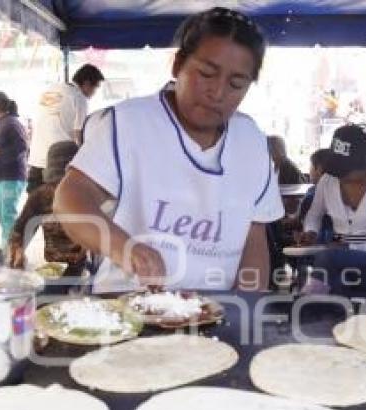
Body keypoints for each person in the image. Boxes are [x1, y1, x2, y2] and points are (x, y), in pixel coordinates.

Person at [54, 7, 283, 292]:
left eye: (236, 84)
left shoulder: (251, 141)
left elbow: (254, 236)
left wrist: (246, 310)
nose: (218, 92)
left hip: (215, 313)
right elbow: (71, 197)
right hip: (128, 310)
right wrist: (124, 248)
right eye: (207, 74)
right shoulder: (127, 124)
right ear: (177, 66)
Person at [297, 123, 366, 296]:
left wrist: (351, 248)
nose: (338, 174)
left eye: (345, 168)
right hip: (337, 265)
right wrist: (311, 231)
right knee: (333, 278)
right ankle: (321, 311)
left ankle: (305, 306)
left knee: (329, 261)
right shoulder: (328, 181)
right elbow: (314, 215)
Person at [9, 141, 87, 290]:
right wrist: (17, 250)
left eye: (64, 182)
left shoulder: (88, 196)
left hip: (82, 269)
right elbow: (20, 229)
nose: (58, 188)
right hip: (53, 270)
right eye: (55, 182)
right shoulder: (40, 196)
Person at [28, 63, 104, 193]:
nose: (94, 93)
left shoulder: (49, 89)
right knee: (56, 205)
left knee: (34, 205)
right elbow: (78, 133)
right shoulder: (79, 97)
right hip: (57, 162)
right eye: (95, 88)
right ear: (86, 83)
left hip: (36, 157)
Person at [0, 91, 29, 262]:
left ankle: (9, 251)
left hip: (11, 176)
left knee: (8, 214)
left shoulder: (13, 123)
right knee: (1, 214)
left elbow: (22, 147)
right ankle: (6, 248)